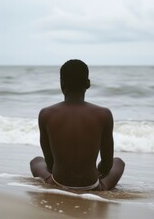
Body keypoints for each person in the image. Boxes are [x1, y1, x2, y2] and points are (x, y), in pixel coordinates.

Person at [30, 59, 125, 191]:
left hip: (57, 182)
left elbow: (50, 163)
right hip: (92, 186)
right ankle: (102, 186)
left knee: (36, 161)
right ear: (88, 84)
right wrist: (97, 172)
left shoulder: (46, 114)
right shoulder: (104, 114)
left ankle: (50, 182)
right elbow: (107, 164)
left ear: (62, 84)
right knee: (118, 162)